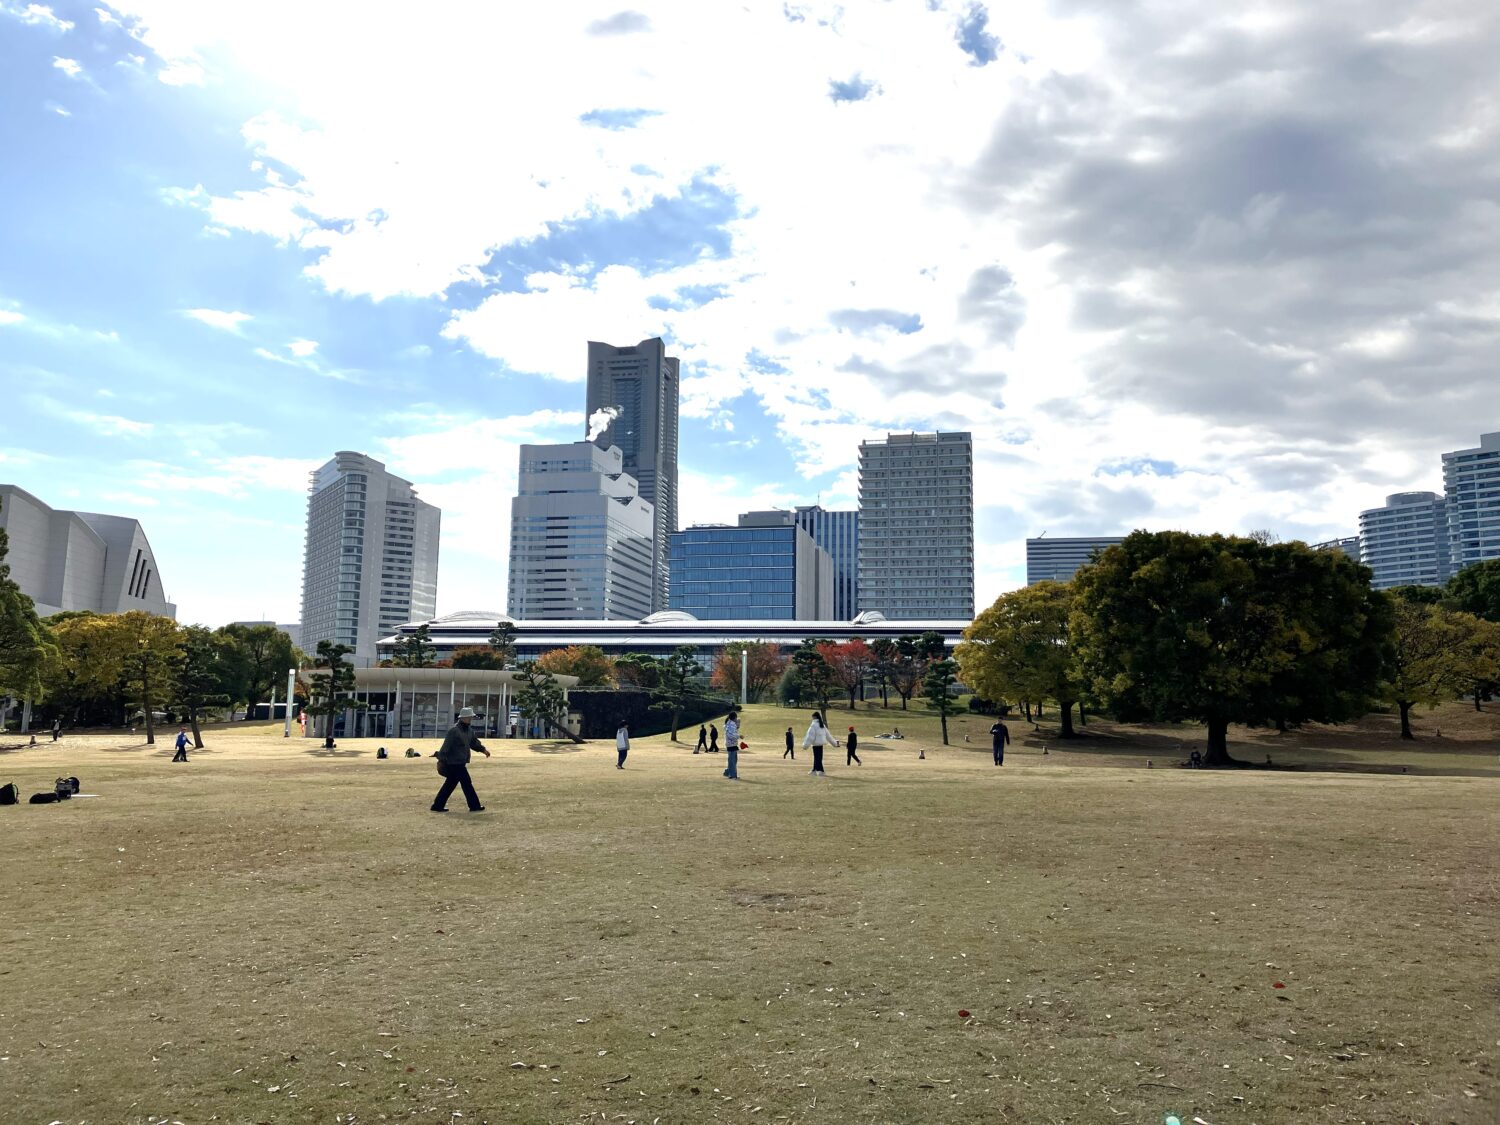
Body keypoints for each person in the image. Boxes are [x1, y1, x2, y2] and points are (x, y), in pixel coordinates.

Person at [431, 706, 490, 813]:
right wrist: (440, 761)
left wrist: (483, 750)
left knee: (450, 784)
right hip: (453, 763)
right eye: (469, 717)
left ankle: (437, 805)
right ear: (463, 718)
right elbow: (445, 748)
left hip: (460, 763)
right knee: (467, 783)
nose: (471, 719)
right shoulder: (454, 731)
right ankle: (474, 805)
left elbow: (474, 743)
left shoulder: (469, 731)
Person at [802, 712, 839, 776]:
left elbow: (810, 737)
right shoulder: (822, 725)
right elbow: (828, 736)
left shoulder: (813, 726)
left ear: (814, 717)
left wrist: (805, 746)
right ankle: (814, 770)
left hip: (815, 744)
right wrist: (835, 743)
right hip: (821, 744)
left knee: (817, 758)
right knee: (818, 758)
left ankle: (821, 771)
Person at [723, 710, 740, 779]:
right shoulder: (731, 725)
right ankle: (732, 775)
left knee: (733, 760)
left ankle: (728, 772)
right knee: (732, 760)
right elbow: (731, 735)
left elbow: (733, 732)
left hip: (731, 744)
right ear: (734, 717)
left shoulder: (730, 724)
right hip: (731, 744)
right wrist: (739, 736)